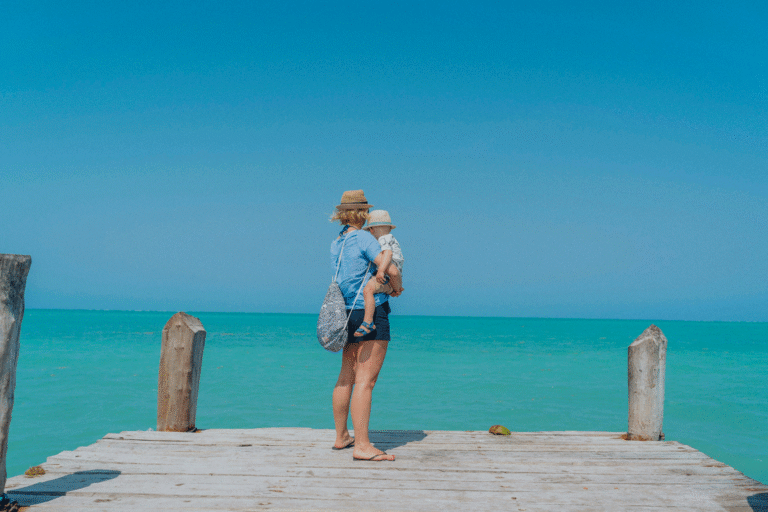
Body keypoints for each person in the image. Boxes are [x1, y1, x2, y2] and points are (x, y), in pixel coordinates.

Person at [329, 190, 400, 462]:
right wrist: (396, 288)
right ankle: (362, 445)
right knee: (365, 382)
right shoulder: (362, 237)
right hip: (369, 312)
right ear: (362, 213)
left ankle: (341, 437)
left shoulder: (338, 241)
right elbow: (390, 268)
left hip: (345, 313)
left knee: (346, 376)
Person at [354, 210, 404, 337]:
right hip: (392, 278)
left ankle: (368, 322)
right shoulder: (391, 238)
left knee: (368, 290)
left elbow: (388, 254)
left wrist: (381, 271)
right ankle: (392, 290)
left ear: (371, 229)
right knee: (374, 289)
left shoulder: (383, 239)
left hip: (387, 275)